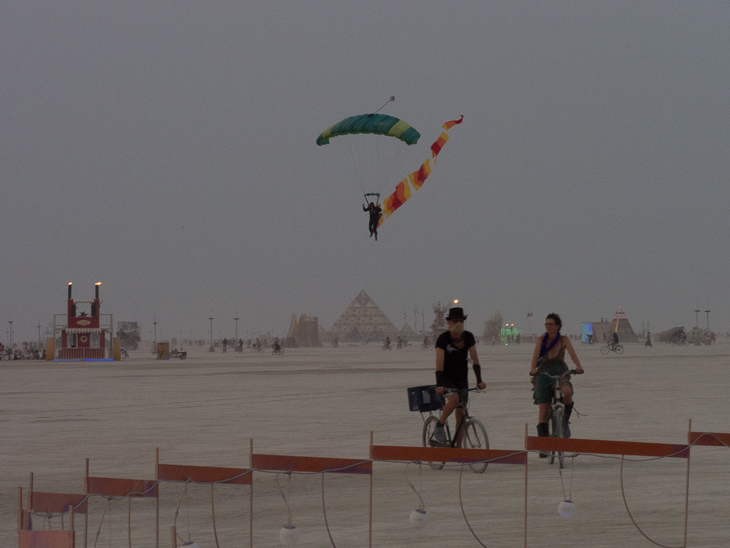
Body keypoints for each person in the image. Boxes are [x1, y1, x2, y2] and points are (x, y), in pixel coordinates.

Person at [432, 306, 486, 447]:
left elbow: (475, 359)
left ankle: (458, 447)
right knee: (454, 399)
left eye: (461, 321)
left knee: (460, 414)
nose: (458, 324)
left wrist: (479, 380)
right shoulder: (443, 339)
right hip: (447, 378)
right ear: (449, 323)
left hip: (462, 377)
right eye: (455, 321)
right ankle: (440, 424)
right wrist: (440, 384)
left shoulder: (468, 337)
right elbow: (439, 364)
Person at [530, 313, 584, 449]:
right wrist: (533, 369)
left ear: (558, 326)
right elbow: (535, 356)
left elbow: (572, 354)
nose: (548, 326)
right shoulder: (541, 340)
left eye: (551, 324)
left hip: (560, 371)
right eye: (546, 324)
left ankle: (564, 421)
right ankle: (543, 445)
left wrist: (578, 366)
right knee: (543, 410)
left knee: (567, 393)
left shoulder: (564, 340)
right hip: (543, 372)